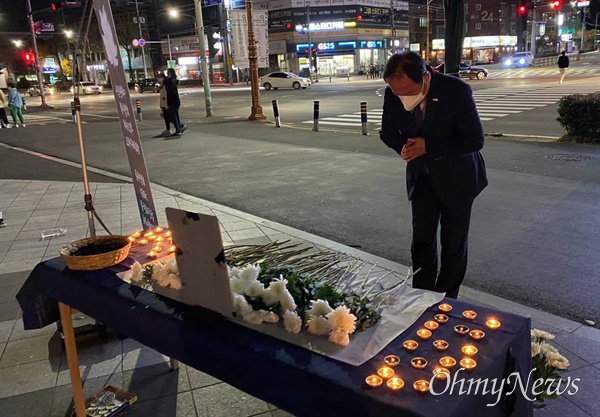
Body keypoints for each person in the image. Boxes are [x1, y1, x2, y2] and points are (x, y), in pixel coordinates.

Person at [379, 52, 488, 299]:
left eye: (408, 92)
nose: (403, 98)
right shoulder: (393, 93)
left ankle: (447, 301)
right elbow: (387, 132)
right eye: (398, 93)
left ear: (425, 77)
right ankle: (421, 297)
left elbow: (475, 139)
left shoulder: (456, 90)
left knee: (453, 244)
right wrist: (404, 148)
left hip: (458, 177)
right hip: (422, 176)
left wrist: (428, 146)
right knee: (422, 241)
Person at [163, 68, 184, 136]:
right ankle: (179, 128)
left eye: (168, 72)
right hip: (175, 100)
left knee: (174, 116)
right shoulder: (173, 80)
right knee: (174, 116)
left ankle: (179, 130)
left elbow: (169, 90)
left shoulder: (170, 81)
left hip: (172, 100)